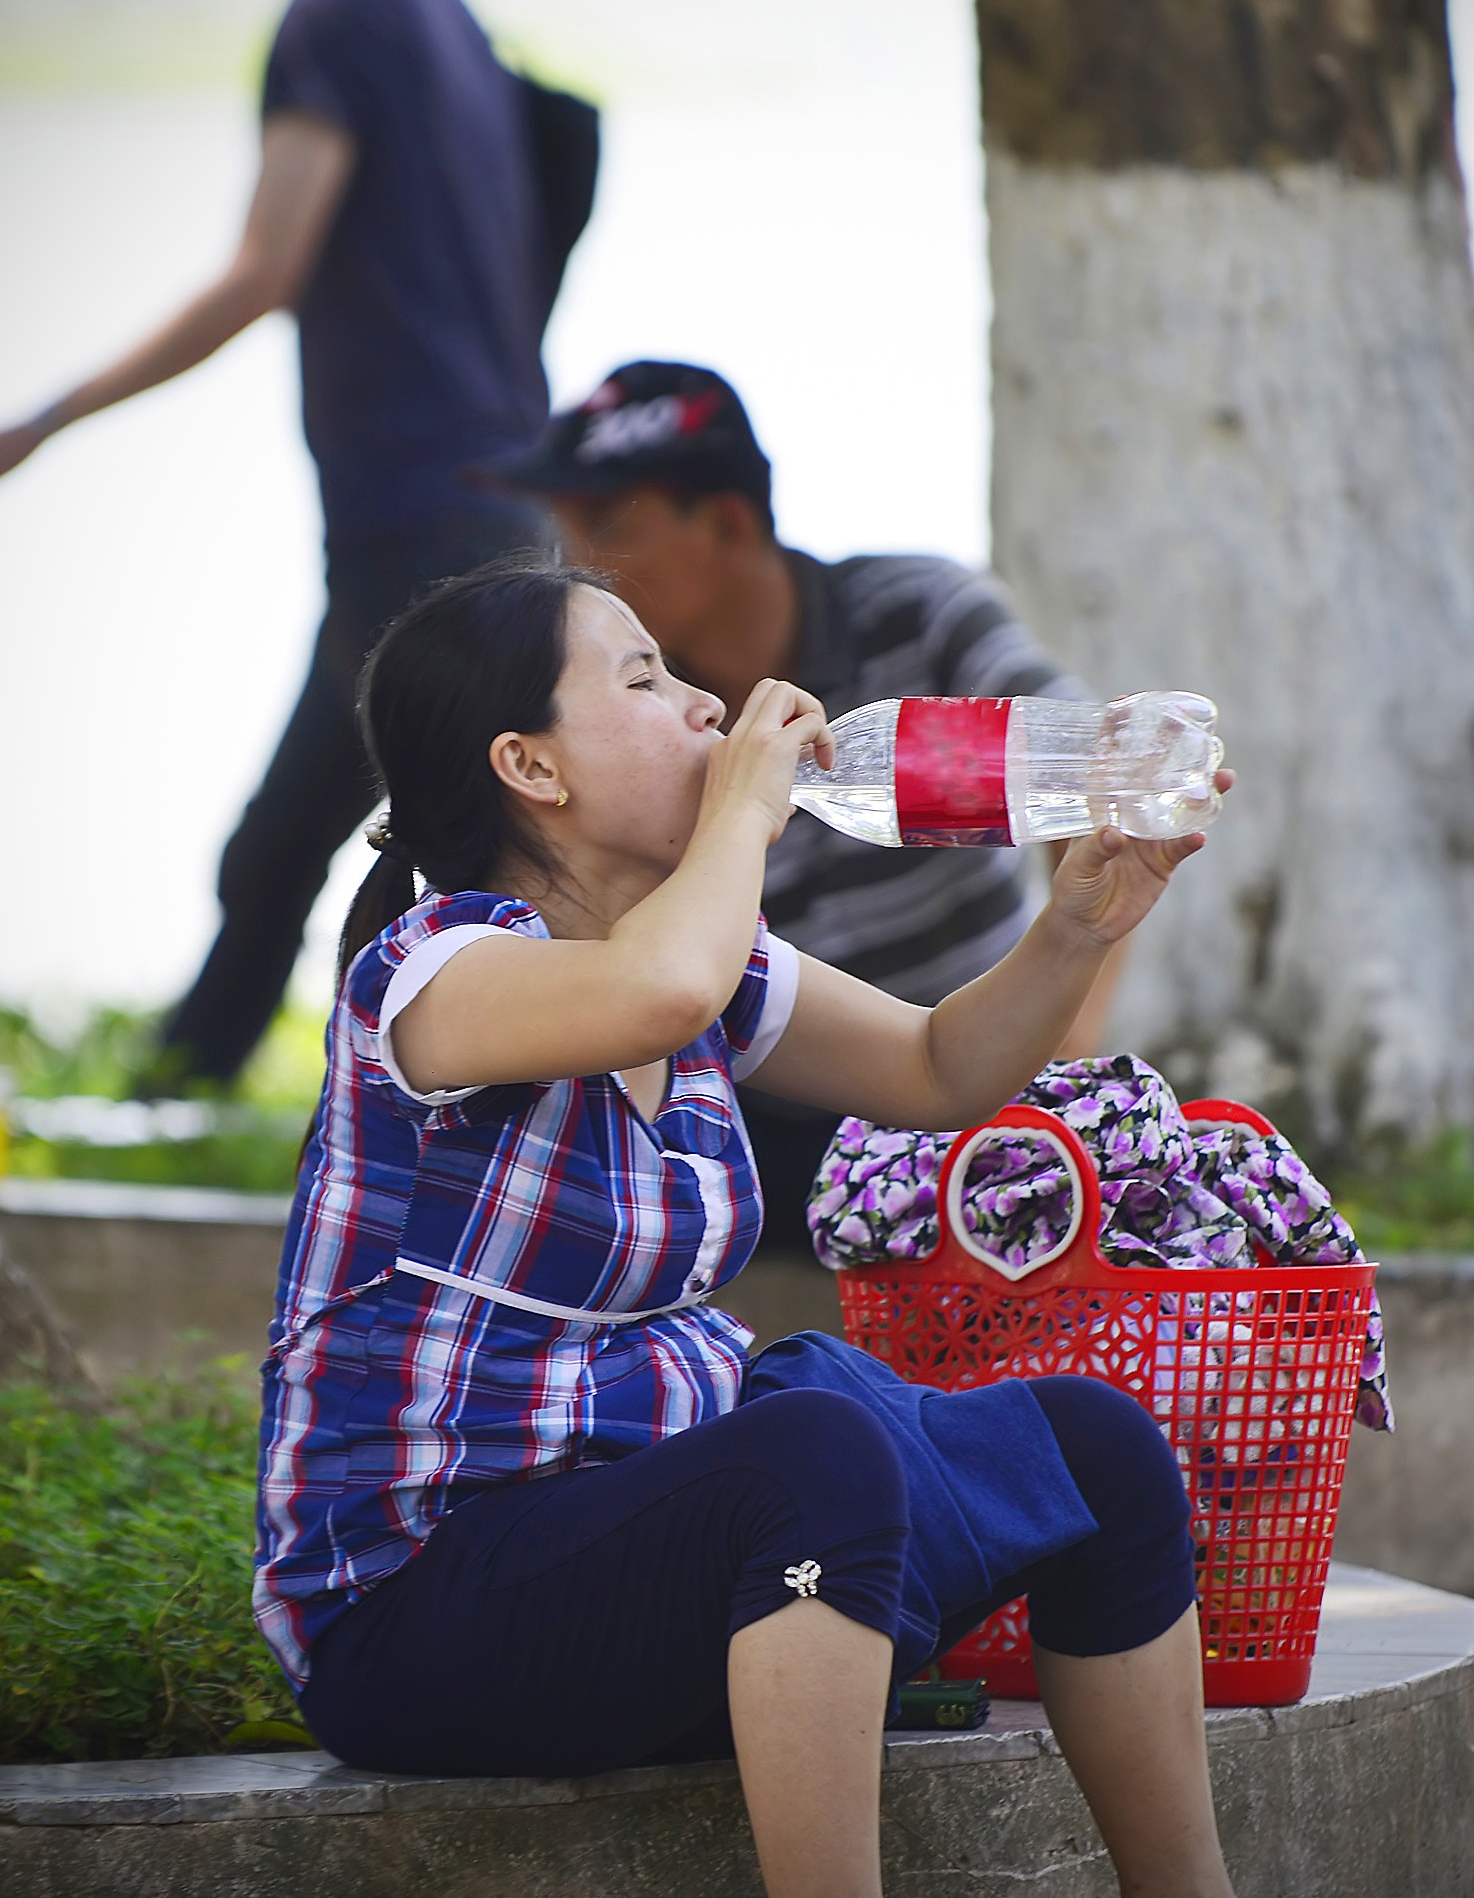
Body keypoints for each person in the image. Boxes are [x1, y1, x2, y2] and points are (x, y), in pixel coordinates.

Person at [257, 555, 1237, 1898]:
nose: (710, 708)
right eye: (646, 679)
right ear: (531, 770)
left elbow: (938, 1068)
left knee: (1096, 1453)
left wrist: (1072, 929)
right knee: (812, 1453)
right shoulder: (431, 973)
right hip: (418, 1613)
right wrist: (751, 810)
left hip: (646, 1555)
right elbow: (654, 990)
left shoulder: (705, 963)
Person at [0, 0, 581, 1090]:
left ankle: (181, 1097)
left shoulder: (335, 12)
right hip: (502, 496)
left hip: (421, 522)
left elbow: (263, 269)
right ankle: (241, 1090)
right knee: (434, 839)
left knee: (302, 839)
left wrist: (41, 420)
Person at [500, 360, 1128, 1249]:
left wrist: (1059, 1065)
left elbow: (1090, 770)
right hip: (766, 1108)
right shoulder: (632, 746)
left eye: (603, 529)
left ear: (725, 523)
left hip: (982, 1072)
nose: (578, 573)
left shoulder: (915, 616)